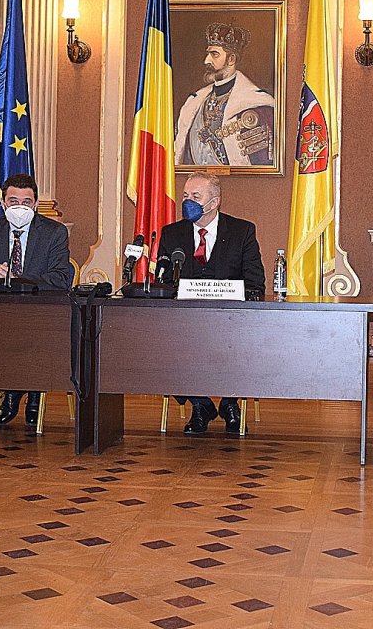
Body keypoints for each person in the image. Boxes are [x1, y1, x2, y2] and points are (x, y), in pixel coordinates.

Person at [157, 173, 266, 436]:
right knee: (164, 340)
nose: (188, 202)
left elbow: (255, 282)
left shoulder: (242, 232)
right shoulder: (172, 234)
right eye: (185, 196)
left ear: (214, 202)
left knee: (247, 340)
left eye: (196, 197)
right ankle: (200, 404)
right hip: (185, 321)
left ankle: (230, 404)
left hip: (231, 321)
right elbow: (164, 282)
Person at [0, 173, 72, 426]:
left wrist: (18, 279)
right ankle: (21, 390)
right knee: (5, 331)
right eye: (13, 201)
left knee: (31, 331)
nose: (20, 207)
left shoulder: (54, 232)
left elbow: (60, 278)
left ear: (36, 205)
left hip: (40, 312)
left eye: (26, 202)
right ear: (3, 204)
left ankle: (23, 393)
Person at [174, 22, 275, 167]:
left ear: (231, 59)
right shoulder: (194, 102)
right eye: (208, 54)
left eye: (214, 54)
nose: (206, 61)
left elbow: (261, 164)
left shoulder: (257, 104)